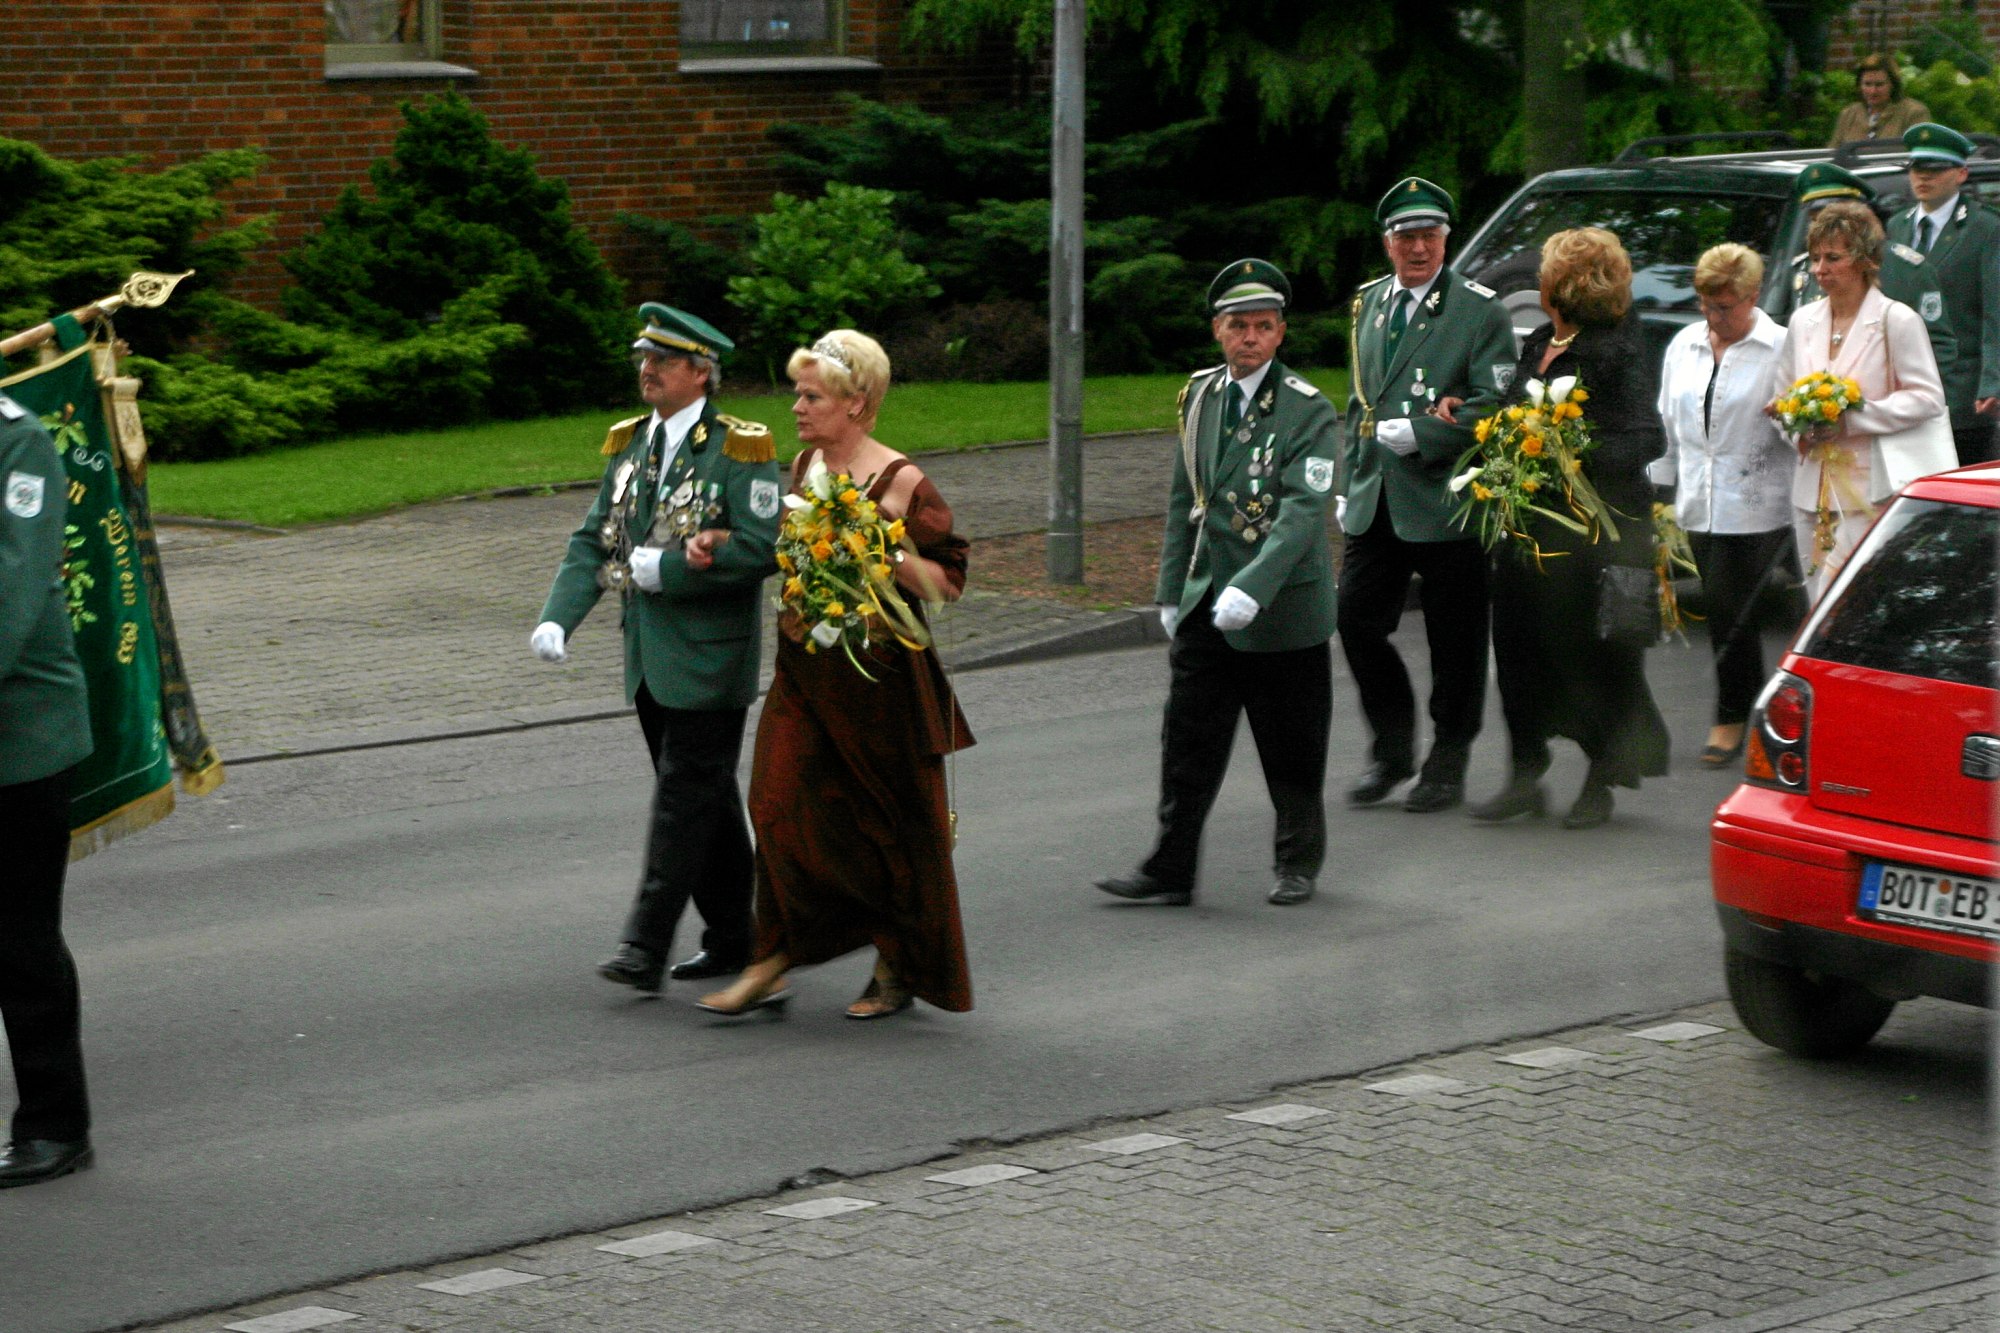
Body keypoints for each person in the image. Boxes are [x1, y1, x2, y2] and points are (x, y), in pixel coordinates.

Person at [697, 329, 974, 1021]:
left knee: (888, 826)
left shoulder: (901, 481)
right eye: (798, 394)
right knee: (775, 805)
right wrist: (730, 541)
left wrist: (881, 551)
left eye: (812, 396)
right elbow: (793, 549)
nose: (797, 407)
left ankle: (896, 961)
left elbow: (947, 582)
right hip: (804, 671)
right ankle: (772, 956)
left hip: (879, 682)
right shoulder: (804, 465)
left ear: (856, 402)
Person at [532, 304, 781, 993]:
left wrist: (668, 571)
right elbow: (596, 540)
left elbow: (763, 548)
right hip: (648, 657)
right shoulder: (631, 444)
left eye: (663, 360)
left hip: (709, 659)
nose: (648, 370)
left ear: (701, 372)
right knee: (705, 801)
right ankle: (737, 938)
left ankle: (643, 943)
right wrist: (559, 618)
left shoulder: (739, 449)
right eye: (644, 358)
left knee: (683, 796)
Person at [1094, 259, 1342, 907]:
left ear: (1280, 332)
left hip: (1280, 605)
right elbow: (1187, 499)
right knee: (1187, 739)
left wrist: (1254, 586)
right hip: (1207, 595)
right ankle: (1171, 866)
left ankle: (1297, 862)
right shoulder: (1201, 396)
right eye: (1238, 325)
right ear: (1217, 331)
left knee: (1291, 745)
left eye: (1262, 326)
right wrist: (1170, 588)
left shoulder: (1307, 410)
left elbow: (1301, 513)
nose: (1250, 337)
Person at [1471, 228, 1669, 830]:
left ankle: (1599, 780)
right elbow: (1512, 412)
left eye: (1545, 271)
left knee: (1593, 660)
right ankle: (1524, 774)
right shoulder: (1539, 341)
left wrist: (1570, 450)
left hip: (1596, 540)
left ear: (1564, 285)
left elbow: (1646, 438)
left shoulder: (1617, 350)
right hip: (1531, 531)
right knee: (1518, 652)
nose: (1537, 279)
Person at [1339, 178, 1516, 814]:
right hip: (1377, 496)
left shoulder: (1478, 310)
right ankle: (1392, 751)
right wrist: (1349, 480)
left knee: (1455, 641)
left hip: (1449, 498)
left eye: (1430, 236)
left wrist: (1425, 433)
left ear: (1446, 239)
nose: (1419, 248)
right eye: (1407, 237)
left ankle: (1448, 760)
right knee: (1355, 622)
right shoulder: (1368, 304)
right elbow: (1361, 402)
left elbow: (1499, 405)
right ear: (1388, 242)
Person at [0, 390, 96, 1188]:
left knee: (19, 935)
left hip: (19, 734)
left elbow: (15, 587)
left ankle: (55, 1125)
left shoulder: (18, 441)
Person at [1651, 244, 1794, 769]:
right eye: (1706, 304)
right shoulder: (1685, 344)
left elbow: (1799, 425)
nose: (1713, 316)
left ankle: (1732, 717)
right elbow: (1669, 425)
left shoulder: (1781, 347)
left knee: (1733, 611)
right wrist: (1658, 490)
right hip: (1699, 502)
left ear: (1753, 297)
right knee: (1725, 611)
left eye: (1725, 306)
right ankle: (1757, 713)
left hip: (1761, 504)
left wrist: (1792, 416)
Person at [1774, 201, 1946, 597]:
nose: (1820, 269)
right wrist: (1796, 428)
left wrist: (1852, 419)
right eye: (1816, 258)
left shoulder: (1896, 320)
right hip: (1810, 489)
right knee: (1817, 603)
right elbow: (1782, 395)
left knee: (1851, 603)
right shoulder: (1802, 321)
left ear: (1866, 260)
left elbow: (1928, 398)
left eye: (1833, 258)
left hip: (1870, 489)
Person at [1884, 123, 2000, 465]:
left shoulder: (1985, 228)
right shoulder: (1897, 225)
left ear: (1961, 174)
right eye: (1917, 168)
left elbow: (1995, 311)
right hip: (1903, 387)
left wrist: (1992, 382)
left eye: (1935, 169)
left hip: (1960, 388)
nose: (1923, 177)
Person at [1786, 163, 1956, 392]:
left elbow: (1938, 347)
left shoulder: (1905, 268)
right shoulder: (1805, 267)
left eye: (1833, 219)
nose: (1822, 228)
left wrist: (1899, 398)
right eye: (1815, 219)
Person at [1828, 54, 1929, 147]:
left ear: (1893, 85)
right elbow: (1832, 153)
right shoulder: (1848, 114)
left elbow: (1920, 152)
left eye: (1879, 85)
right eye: (1867, 84)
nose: (1873, 91)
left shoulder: (1913, 113)